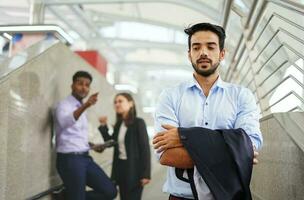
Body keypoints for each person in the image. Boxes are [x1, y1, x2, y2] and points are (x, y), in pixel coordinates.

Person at [153, 23, 263, 200]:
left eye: (210, 47)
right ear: (189, 55)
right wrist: (232, 151)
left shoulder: (242, 96)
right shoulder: (170, 96)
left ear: (222, 54)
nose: (203, 52)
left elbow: (249, 146)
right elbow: (167, 155)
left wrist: (183, 136)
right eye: (196, 47)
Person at [54, 70, 117, 200]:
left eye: (87, 85)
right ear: (72, 85)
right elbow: (65, 122)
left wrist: (92, 146)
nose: (84, 87)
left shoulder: (81, 107)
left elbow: (75, 136)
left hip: (85, 157)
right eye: (80, 83)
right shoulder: (64, 105)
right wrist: (87, 105)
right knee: (77, 197)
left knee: (110, 191)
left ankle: (66, 196)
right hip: (69, 159)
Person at [98, 92, 151, 200]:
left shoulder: (139, 123)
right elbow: (110, 142)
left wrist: (146, 174)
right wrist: (104, 126)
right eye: (115, 102)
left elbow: (145, 149)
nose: (117, 104)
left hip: (134, 170)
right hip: (120, 169)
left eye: (120, 101)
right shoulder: (119, 124)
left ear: (130, 104)